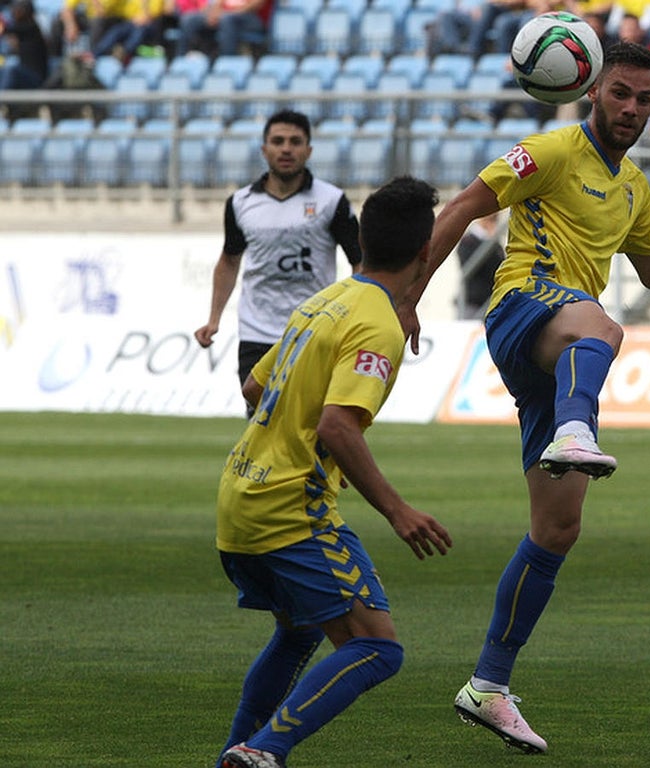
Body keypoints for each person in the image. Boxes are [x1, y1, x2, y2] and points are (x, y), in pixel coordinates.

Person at [405, 42, 650, 753]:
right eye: (622, 94)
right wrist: (408, 297)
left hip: (567, 349)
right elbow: (463, 207)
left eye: (645, 99)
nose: (633, 109)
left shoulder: (633, 184)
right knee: (603, 322)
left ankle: (488, 686)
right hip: (522, 307)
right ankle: (576, 431)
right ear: (593, 90)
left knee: (558, 529)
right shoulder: (547, 150)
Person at [213, 175, 453, 768]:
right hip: (292, 509)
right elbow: (337, 426)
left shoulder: (324, 301)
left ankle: (233, 757)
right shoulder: (376, 322)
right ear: (427, 253)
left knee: (299, 631)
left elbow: (253, 382)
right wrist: (399, 511)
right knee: (377, 648)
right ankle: (265, 750)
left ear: (363, 240)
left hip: (239, 496)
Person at [194, 110, 362, 417]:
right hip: (256, 332)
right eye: (278, 141)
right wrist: (214, 318)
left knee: (309, 423)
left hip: (314, 330)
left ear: (308, 150)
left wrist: (354, 316)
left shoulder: (331, 200)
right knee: (261, 424)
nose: (286, 149)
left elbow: (360, 262)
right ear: (264, 149)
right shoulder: (240, 203)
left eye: (295, 142)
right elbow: (229, 260)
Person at [176, 0, 271, 57]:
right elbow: (218, 3)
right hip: (226, 16)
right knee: (189, 19)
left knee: (227, 20)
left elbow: (257, 4)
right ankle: (181, 59)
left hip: (252, 18)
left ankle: (227, 61)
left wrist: (232, 13)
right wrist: (213, 15)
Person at [455, 211, 505, 318]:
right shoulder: (468, 242)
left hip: (491, 300)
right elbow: (474, 268)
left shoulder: (495, 244)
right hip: (474, 303)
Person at [0, 0, 48, 90]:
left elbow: (6, 29)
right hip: (24, 74)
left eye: (17, 9)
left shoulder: (31, 27)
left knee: (11, 71)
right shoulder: (24, 29)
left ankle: (2, 101)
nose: (13, 12)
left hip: (35, 78)